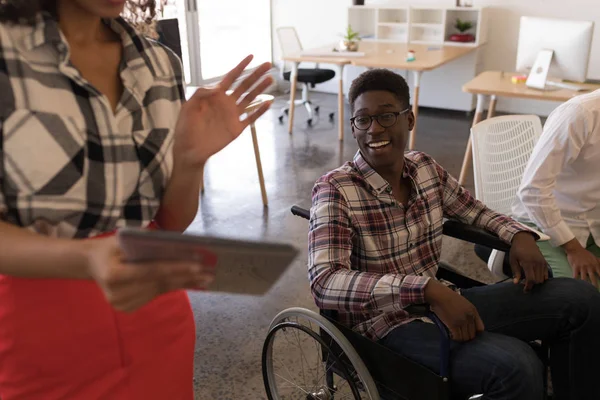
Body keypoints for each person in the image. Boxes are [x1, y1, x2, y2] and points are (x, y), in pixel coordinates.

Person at [0, 0, 272, 399]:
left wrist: (191, 160)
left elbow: (168, 223)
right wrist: (84, 259)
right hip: (37, 339)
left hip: (158, 325)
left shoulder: (159, 64)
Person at [308, 68, 600, 400]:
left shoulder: (424, 169)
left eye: (387, 116)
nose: (375, 129)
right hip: (384, 327)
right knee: (517, 366)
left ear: (410, 119)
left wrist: (519, 235)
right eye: (363, 120)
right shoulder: (336, 189)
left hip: (442, 302)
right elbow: (325, 282)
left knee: (582, 300)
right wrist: (426, 290)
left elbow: (475, 211)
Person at [512, 89, 600, 287]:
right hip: (544, 223)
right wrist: (574, 249)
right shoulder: (580, 113)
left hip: (592, 221)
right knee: (582, 296)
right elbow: (533, 190)